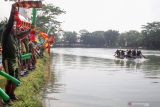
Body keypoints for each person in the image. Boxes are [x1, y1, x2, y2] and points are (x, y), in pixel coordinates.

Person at [1, 5, 30, 102]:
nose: (14, 28)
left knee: (16, 79)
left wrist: (29, 30)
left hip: (15, 60)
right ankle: (6, 99)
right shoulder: (6, 34)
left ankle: (12, 94)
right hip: (8, 60)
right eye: (13, 27)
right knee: (10, 79)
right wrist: (12, 12)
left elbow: (21, 35)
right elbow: (10, 23)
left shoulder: (14, 36)